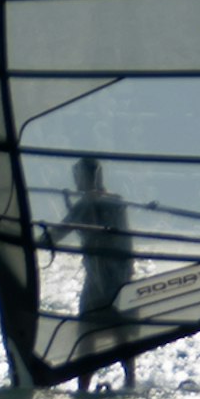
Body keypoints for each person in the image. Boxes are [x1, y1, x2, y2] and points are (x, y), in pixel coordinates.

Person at [61, 157, 136, 378]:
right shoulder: (117, 202)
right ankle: (130, 382)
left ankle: (83, 387)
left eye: (78, 177)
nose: (76, 181)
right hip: (121, 280)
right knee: (122, 334)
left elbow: (58, 233)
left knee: (87, 337)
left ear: (88, 177)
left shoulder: (87, 205)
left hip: (100, 283)